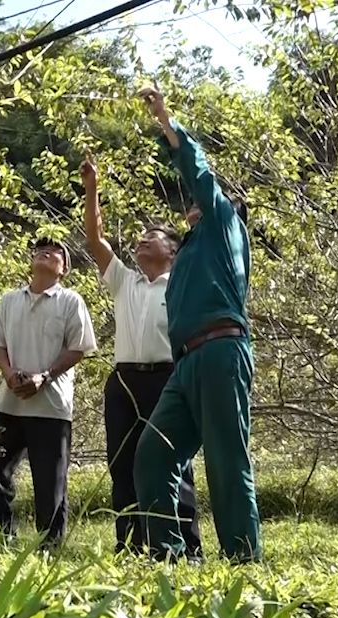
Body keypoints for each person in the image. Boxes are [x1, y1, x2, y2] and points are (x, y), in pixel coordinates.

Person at [132, 86, 262, 564]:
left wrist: (167, 122)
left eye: (201, 196)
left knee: (227, 463)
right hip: (185, 365)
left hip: (220, 352)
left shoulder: (225, 223)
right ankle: (169, 558)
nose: (191, 199)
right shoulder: (189, 250)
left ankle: (243, 565)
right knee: (153, 455)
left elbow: (198, 170)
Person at [79, 156, 203, 558]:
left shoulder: (183, 282)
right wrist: (92, 188)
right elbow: (94, 240)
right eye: (141, 237)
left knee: (174, 461)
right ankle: (129, 544)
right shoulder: (124, 281)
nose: (142, 240)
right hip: (124, 383)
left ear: (172, 250)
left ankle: (185, 544)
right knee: (123, 463)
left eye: (153, 236)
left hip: (168, 380)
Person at [0, 238, 98, 550]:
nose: (46, 253)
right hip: (10, 404)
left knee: (49, 483)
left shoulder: (71, 301)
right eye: (40, 250)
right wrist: (9, 375)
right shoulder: (9, 300)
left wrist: (44, 377)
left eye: (57, 252)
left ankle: (50, 547)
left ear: (65, 268)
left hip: (52, 407)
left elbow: (78, 349)